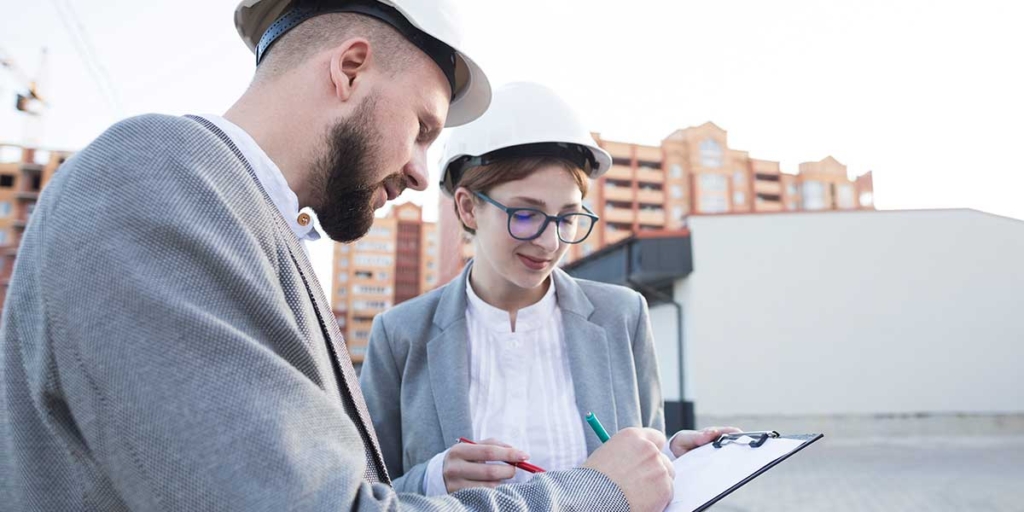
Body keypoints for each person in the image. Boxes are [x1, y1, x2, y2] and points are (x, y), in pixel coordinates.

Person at [0, 1, 675, 511]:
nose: (419, 174)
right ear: (350, 69)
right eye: (422, 129)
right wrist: (596, 491)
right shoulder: (151, 180)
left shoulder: (239, 220)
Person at [360, 82, 738, 496]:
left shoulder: (623, 316)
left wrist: (672, 457)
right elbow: (361, 492)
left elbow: (645, 455)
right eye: (526, 214)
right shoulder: (400, 334)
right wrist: (431, 478)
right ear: (468, 207)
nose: (550, 242)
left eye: (568, 217)